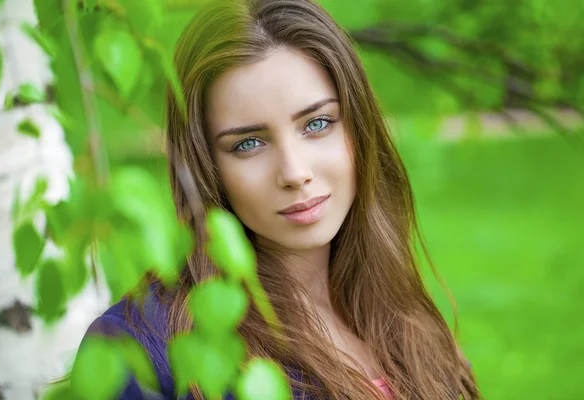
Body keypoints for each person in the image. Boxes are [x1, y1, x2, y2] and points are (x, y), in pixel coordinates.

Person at [77, 0, 480, 398]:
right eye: (248, 143)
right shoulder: (143, 351)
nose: (294, 172)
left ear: (359, 127)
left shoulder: (396, 310)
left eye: (317, 124)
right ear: (205, 165)